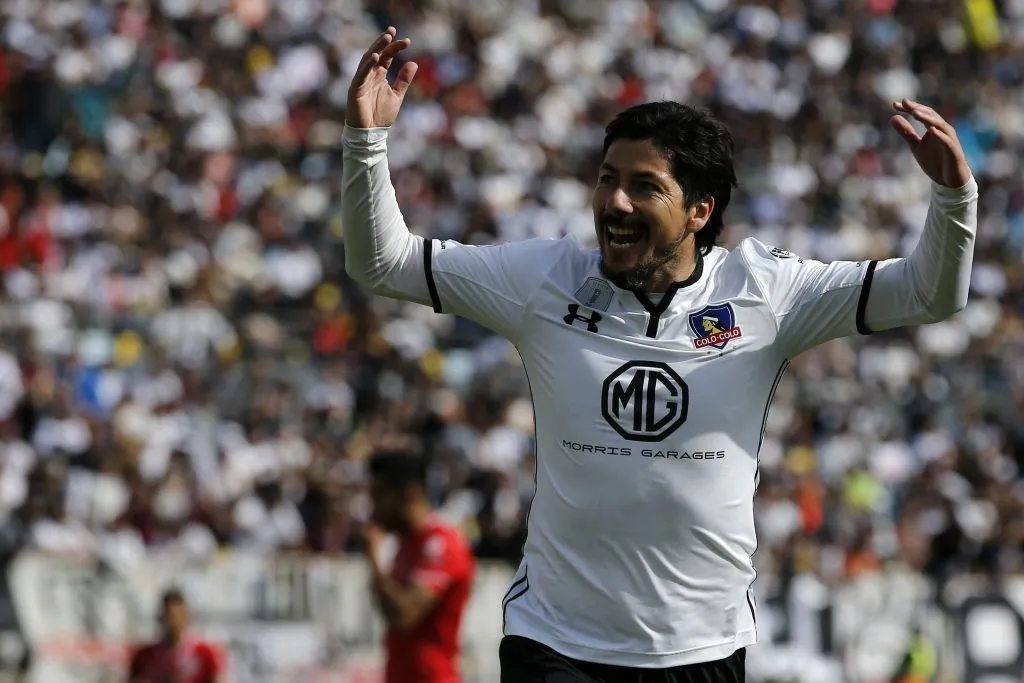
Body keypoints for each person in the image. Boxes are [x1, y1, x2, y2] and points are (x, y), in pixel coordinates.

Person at [341, 27, 978, 683]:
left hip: (699, 650)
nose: (615, 202)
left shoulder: (763, 292)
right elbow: (383, 263)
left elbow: (930, 293)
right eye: (608, 180)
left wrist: (954, 198)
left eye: (644, 186)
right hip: (556, 642)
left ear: (700, 209)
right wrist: (366, 142)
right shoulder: (545, 279)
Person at [365, 449, 476, 683]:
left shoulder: (442, 544)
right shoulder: (406, 546)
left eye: (379, 496)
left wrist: (374, 561)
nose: (373, 508)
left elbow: (404, 614)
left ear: (410, 494)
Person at [127, 589, 224, 683]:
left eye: (177, 616)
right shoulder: (144, 656)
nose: (173, 623)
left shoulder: (205, 654)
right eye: (169, 616)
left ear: (187, 616)